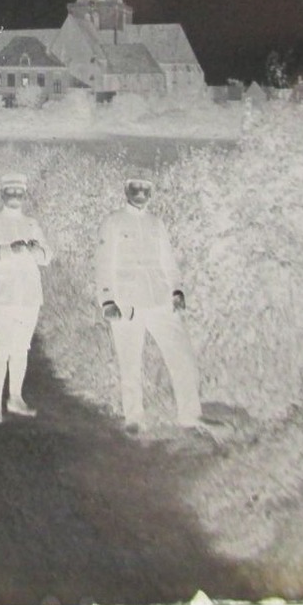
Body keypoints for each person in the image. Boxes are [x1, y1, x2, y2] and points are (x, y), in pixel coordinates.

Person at [95, 169, 203, 432]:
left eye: (146, 188)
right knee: (130, 362)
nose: (141, 193)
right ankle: (134, 418)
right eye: (136, 187)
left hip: (159, 300)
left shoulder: (157, 223)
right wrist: (107, 300)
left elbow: (168, 260)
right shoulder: (113, 222)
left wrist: (177, 291)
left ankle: (190, 416)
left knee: (183, 356)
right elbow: (103, 263)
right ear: (126, 189)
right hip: (126, 304)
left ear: (151, 192)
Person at [0, 172, 52, 423]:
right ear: (2, 194)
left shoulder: (32, 224)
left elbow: (47, 256)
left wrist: (35, 250)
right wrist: (10, 249)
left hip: (28, 293)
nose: (15, 196)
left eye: (19, 192)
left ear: (24, 195)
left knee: (22, 347)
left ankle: (16, 398)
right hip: (1, 293)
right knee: (1, 347)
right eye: (10, 192)